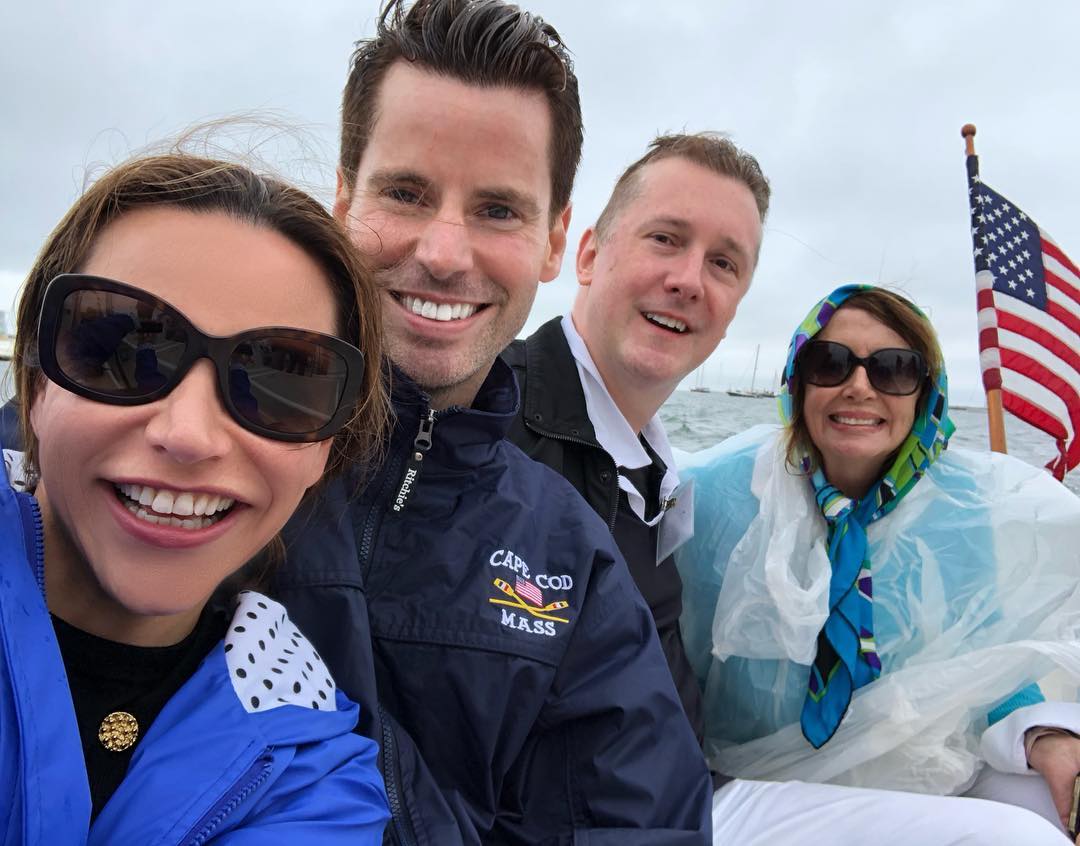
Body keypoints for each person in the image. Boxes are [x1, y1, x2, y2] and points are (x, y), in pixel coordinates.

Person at [272, 1, 712, 843]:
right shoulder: (192, 436)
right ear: (340, 199)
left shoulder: (573, 563)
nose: (443, 252)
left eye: (498, 210)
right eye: (405, 192)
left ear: (553, 244)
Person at [1, 153, 390, 843]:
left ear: (326, 449)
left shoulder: (317, 781)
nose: (188, 434)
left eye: (282, 380)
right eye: (117, 348)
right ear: (35, 384)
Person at [678, 283, 1080, 843]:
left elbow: (985, 652)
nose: (859, 387)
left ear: (924, 392)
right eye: (830, 363)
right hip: (747, 784)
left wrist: (1044, 735)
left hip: (906, 772)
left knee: (1047, 806)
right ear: (797, 383)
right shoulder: (720, 492)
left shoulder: (960, 507)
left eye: (893, 369)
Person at [502, 131, 770, 753]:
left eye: (723, 263)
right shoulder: (488, 427)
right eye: (665, 239)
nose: (689, 280)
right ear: (589, 255)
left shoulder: (649, 472)